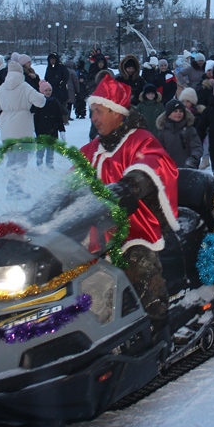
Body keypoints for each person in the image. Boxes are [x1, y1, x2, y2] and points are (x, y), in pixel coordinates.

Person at [82, 74, 180, 329]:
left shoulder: (140, 140)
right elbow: (72, 174)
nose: (94, 118)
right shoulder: (94, 148)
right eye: (92, 111)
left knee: (140, 267)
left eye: (99, 111)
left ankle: (157, 327)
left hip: (135, 226)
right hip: (97, 229)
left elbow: (153, 163)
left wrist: (132, 185)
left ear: (117, 113)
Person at [0, 60, 47, 143]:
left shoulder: (2, 87)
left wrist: (3, 109)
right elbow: (41, 101)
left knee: (11, 154)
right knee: (22, 154)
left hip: (7, 128)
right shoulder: (25, 87)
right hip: (23, 127)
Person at [155, 99, 202, 169]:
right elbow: (159, 151)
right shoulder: (163, 132)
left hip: (188, 168)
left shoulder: (190, 130)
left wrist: (193, 159)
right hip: (169, 169)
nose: (178, 113)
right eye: (175, 111)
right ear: (168, 115)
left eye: (181, 111)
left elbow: (196, 147)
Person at [31, 81, 65, 166]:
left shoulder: (54, 101)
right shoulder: (38, 102)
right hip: (41, 129)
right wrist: (33, 130)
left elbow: (59, 116)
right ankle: (39, 162)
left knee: (51, 148)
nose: (48, 92)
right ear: (41, 92)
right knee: (41, 148)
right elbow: (35, 117)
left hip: (53, 129)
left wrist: (62, 130)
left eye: (50, 90)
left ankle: (49, 163)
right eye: (46, 90)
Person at [44, 54, 70, 121]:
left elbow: (66, 77)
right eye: (51, 60)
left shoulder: (61, 67)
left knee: (62, 105)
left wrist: (61, 83)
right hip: (51, 90)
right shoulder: (49, 68)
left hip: (61, 90)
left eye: (53, 59)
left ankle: (64, 119)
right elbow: (46, 77)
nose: (52, 61)